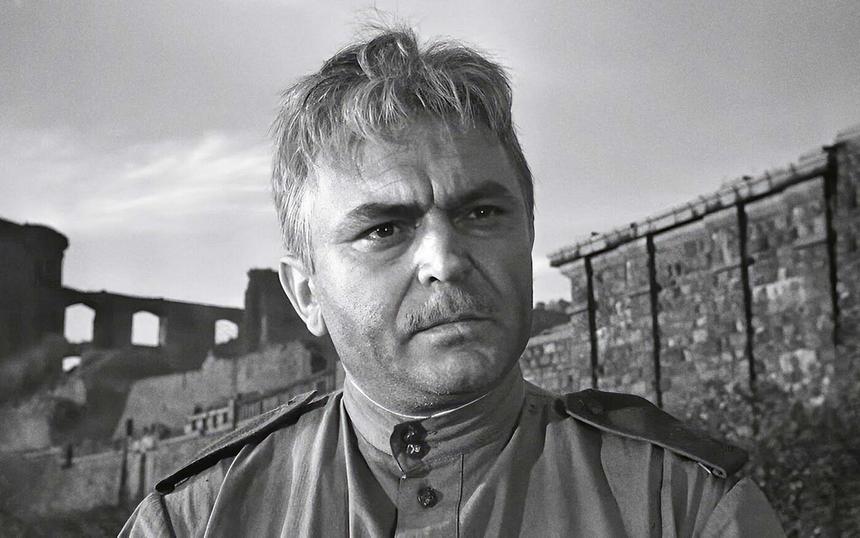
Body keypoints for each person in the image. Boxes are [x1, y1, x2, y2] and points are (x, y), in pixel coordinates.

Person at [121, 26, 784, 536]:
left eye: (482, 213)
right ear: (305, 293)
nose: (446, 258)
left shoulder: (685, 505)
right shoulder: (192, 522)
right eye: (384, 229)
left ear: (528, 232)